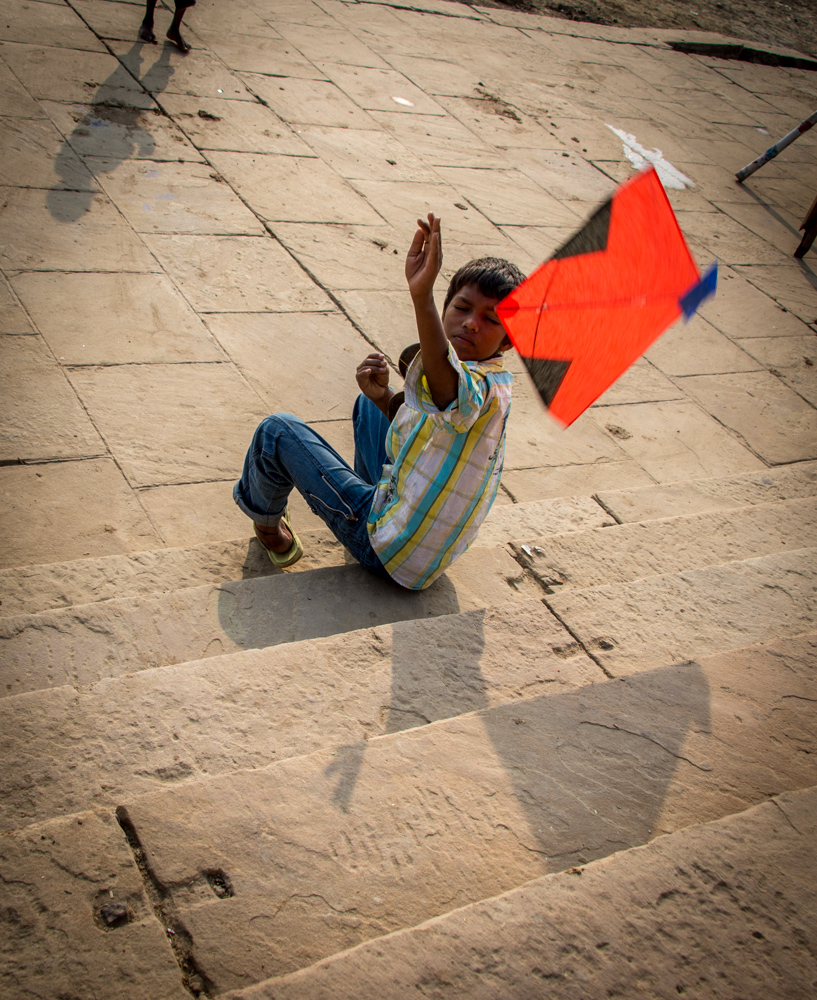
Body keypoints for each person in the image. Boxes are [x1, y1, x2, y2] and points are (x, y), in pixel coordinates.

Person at [233, 213, 524, 590]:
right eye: (463, 308)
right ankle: (361, 499)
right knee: (370, 406)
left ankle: (271, 531)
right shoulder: (493, 378)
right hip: (420, 546)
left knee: (277, 431)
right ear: (449, 310)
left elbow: (449, 389)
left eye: (490, 319)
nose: (471, 323)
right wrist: (385, 397)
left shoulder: (478, 389)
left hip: (387, 552)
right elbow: (438, 423)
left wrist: (422, 295)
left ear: (507, 341)